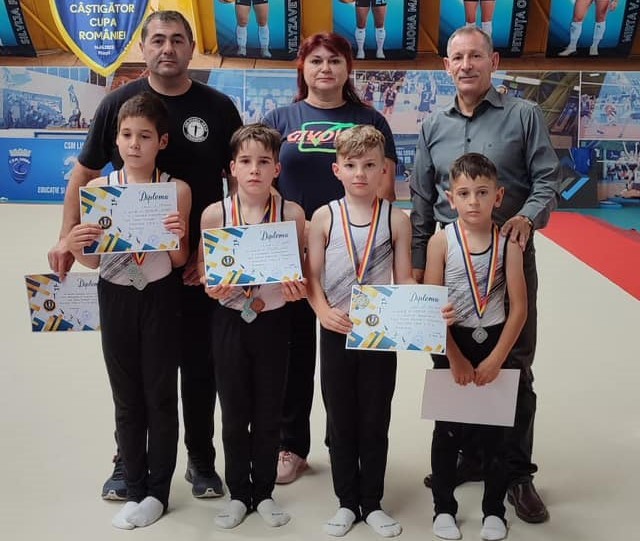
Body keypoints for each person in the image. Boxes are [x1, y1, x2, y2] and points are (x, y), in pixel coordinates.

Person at [47, 10, 243, 501]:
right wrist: (65, 237)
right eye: (157, 39)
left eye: (177, 39)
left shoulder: (218, 107)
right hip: (129, 271)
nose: (167, 48)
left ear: (192, 47)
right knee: (133, 374)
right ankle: (126, 461)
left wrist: (220, 255)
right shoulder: (118, 103)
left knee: (199, 367)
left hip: (193, 262)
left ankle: (200, 460)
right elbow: (83, 174)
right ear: (143, 46)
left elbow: (238, 182)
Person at [410, 26, 560, 524]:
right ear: (446, 66)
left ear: (493, 61)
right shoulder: (432, 125)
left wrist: (526, 218)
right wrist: (418, 264)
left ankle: (516, 474)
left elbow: (548, 180)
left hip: (507, 254)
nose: (466, 65)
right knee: (452, 358)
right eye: (457, 57)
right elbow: (421, 198)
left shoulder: (524, 115)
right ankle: (471, 455)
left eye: (476, 56)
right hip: (448, 260)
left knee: (511, 364)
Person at [262, 31, 397, 485]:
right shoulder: (281, 118)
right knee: (294, 353)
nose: (325, 68)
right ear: (302, 67)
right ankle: (290, 445)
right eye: (316, 60)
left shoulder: (369, 119)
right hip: (292, 251)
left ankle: (347, 445)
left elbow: (386, 191)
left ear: (348, 69)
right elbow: (259, 185)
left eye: (335, 60)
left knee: (353, 357)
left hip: (356, 254)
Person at [65, 92, 192, 529]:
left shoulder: (176, 189)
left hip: (159, 294)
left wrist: (177, 235)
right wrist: (76, 245)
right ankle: (134, 486)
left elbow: (180, 260)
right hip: (115, 293)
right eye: (126, 135)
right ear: (116, 140)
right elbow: (92, 262)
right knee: (126, 395)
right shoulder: (97, 190)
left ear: (162, 141)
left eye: (145, 136)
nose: (134, 144)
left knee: (160, 393)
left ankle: (158, 491)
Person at [199, 124, 306, 529]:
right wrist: (210, 285)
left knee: (268, 411)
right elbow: (204, 269)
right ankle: (238, 494)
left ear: (277, 168)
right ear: (232, 168)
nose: (254, 169)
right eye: (245, 161)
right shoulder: (215, 214)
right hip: (229, 320)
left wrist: (297, 289)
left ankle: (263, 492)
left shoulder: (292, 214)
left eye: (264, 161)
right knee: (233, 412)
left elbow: (301, 272)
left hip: (274, 320)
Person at [306, 125, 411, 538]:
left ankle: (374, 501)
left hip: (379, 335)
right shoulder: (324, 217)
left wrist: (423, 307)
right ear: (337, 170)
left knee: (375, 417)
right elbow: (312, 277)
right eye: (351, 165)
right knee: (340, 417)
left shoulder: (396, 219)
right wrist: (322, 311)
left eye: (369, 165)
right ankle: (347, 502)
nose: (360, 174)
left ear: (385, 169)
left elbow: (403, 278)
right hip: (337, 329)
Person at [425, 153, 527, 541]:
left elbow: (519, 308)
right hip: (452, 342)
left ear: (498, 197)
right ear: (450, 198)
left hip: (495, 343)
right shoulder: (441, 242)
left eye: (482, 193)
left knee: (496, 435)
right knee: (446, 432)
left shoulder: (508, 245)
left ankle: (494, 511)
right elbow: (432, 307)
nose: (473, 201)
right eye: (464, 193)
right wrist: (453, 357)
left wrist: (498, 359)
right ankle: (443, 508)